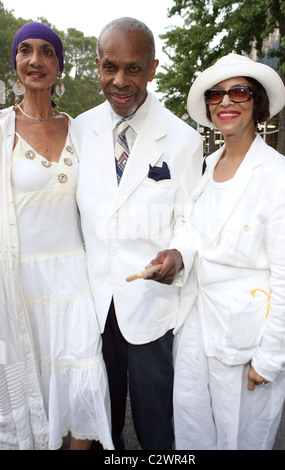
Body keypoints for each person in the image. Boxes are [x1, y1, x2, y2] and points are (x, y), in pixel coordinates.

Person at [149, 53, 285, 450]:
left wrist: (271, 358)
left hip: (248, 339)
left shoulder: (276, 174)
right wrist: (176, 254)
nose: (227, 102)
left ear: (256, 102)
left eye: (239, 92)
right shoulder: (207, 165)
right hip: (197, 326)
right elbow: (192, 233)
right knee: (193, 432)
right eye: (217, 95)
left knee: (241, 440)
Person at [70, 17, 203, 450]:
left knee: (156, 427)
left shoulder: (183, 139)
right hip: (94, 303)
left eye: (134, 68)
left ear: (153, 68)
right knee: (99, 423)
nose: (120, 81)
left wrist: (178, 254)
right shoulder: (79, 129)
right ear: (97, 66)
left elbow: (190, 219)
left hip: (150, 303)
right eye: (110, 67)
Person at [0, 22, 114, 451]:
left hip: (74, 278)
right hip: (18, 285)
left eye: (46, 52)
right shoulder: (1, 129)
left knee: (83, 382)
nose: (35, 60)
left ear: (59, 66)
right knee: (33, 383)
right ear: (15, 62)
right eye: (25, 50)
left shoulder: (81, 129)